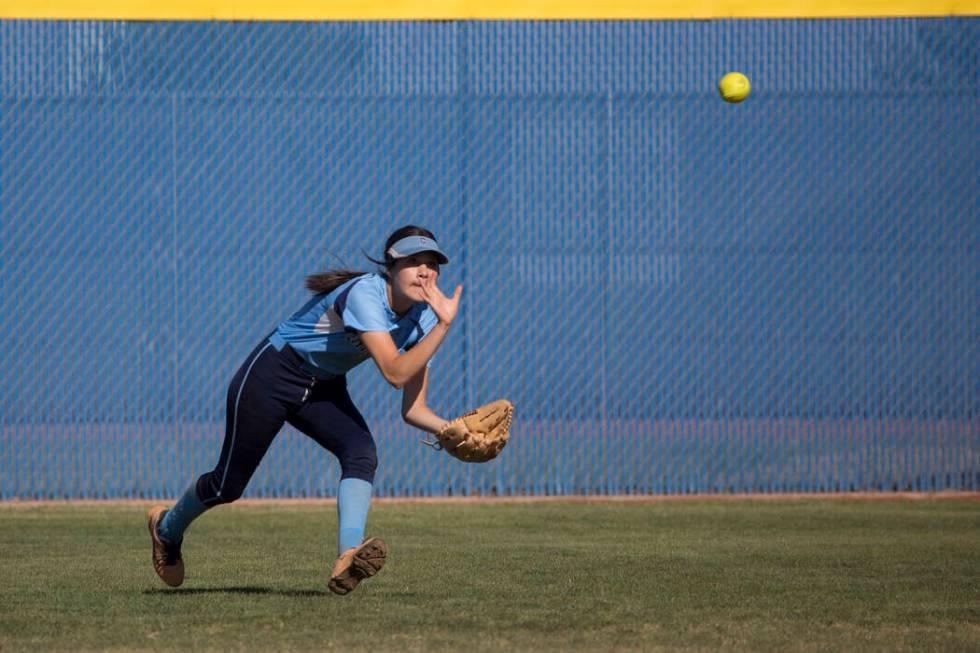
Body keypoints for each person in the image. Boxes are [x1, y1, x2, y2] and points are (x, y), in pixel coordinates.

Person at [147, 225, 462, 595]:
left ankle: (349, 555)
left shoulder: (424, 318)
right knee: (227, 486)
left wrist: (452, 429)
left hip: (323, 386)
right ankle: (166, 528)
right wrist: (444, 324)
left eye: (432, 264)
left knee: (360, 452)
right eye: (413, 261)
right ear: (390, 266)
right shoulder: (367, 295)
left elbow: (414, 409)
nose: (425, 271)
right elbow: (394, 372)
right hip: (272, 375)